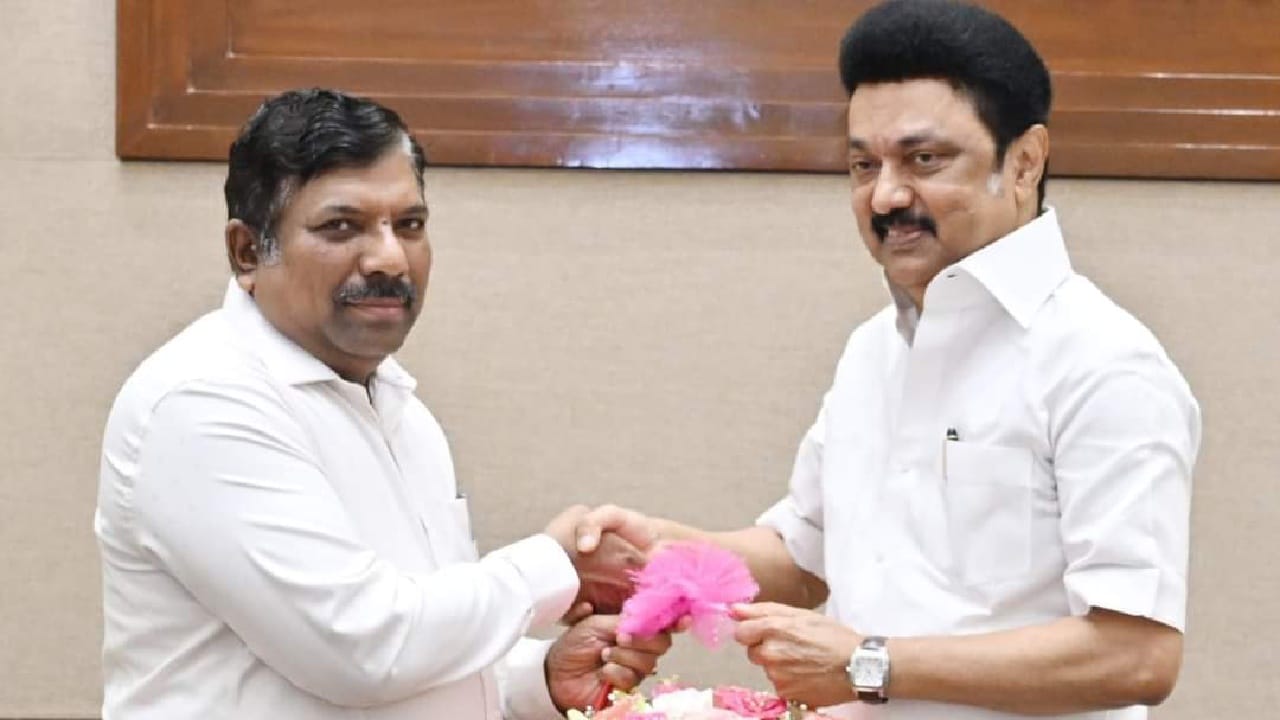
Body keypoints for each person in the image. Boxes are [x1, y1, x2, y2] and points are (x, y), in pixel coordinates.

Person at [577, 1, 1200, 718]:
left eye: (924, 160)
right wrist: (660, 553)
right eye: (863, 165)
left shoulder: (1104, 362)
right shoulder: (873, 348)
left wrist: (869, 664)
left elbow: (1136, 653)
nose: (886, 195)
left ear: (1024, 162)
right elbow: (804, 558)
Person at [94, 88, 665, 720]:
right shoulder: (202, 400)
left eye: (409, 225)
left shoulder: (397, 403)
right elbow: (364, 649)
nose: (390, 258)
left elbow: (420, 638)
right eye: (342, 227)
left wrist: (541, 680)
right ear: (248, 252)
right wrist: (555, 566)